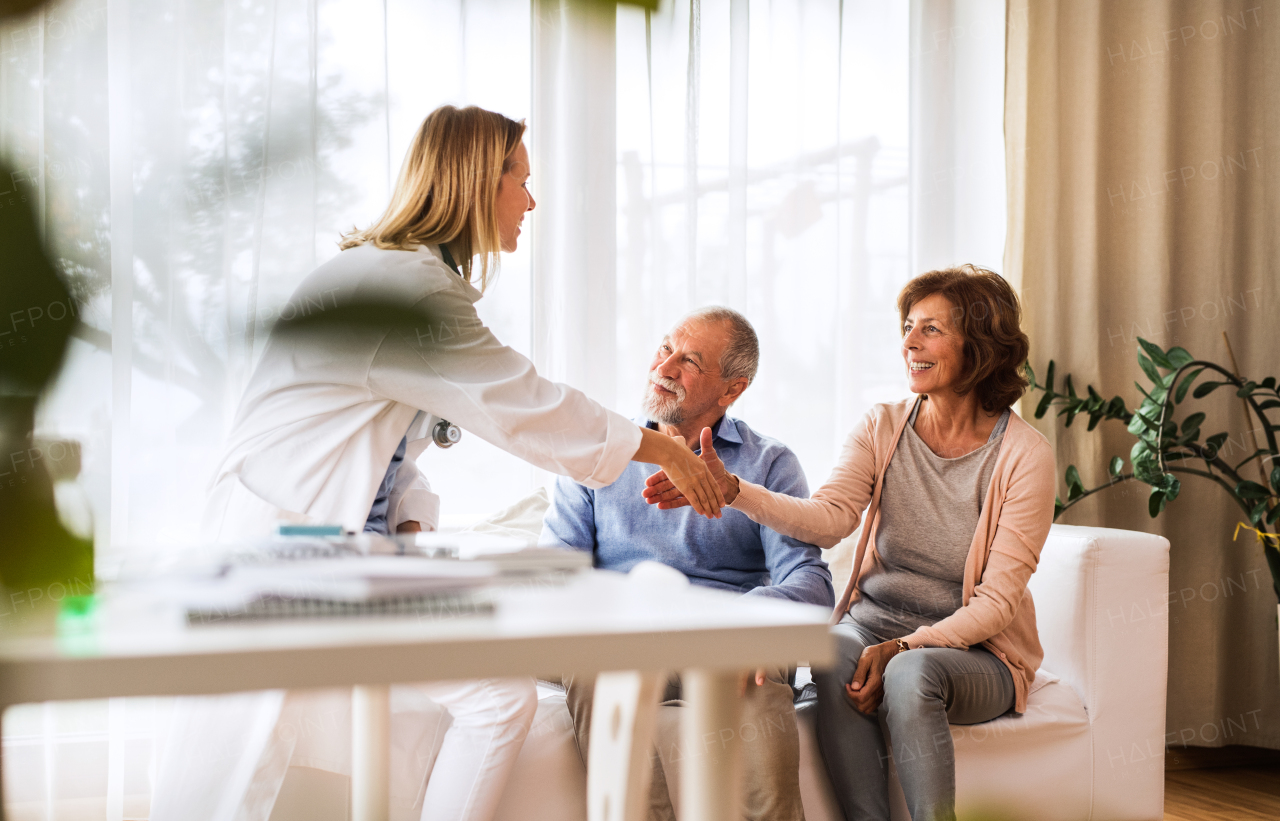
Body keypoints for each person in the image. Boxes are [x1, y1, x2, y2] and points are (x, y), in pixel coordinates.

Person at [154, 105, 722, 821]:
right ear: (477, 183)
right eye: (521, 179)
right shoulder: (407, 291)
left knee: (278, 753)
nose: (531, 201)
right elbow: (527, 405)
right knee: (257, 758)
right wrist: (661, 445)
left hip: (323, 549)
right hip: (288, 548)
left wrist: (410, 524)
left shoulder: (393, 279)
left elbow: (380, 444)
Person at [642, 266, 1057, 821]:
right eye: (908, 326)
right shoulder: (882, 426)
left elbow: (997, 603)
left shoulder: (1025, 456)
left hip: (977, 654)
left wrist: (907, 648)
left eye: (930, 329)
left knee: (912, 674)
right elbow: (830, 518)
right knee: (833, 650)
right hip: (874, 627)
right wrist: (734, 490)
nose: (909, 342)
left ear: (979, 345)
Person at [541, 306, 833, 821]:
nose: (666, 366)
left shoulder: (769, 463)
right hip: (625, 640)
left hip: (724, 641)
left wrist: (747, 624)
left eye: (690, 360)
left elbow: (810, 581)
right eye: (664, 347)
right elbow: (556, 574)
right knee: (588, 663)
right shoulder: (599, 455)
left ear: (731, 390)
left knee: (765, 693)